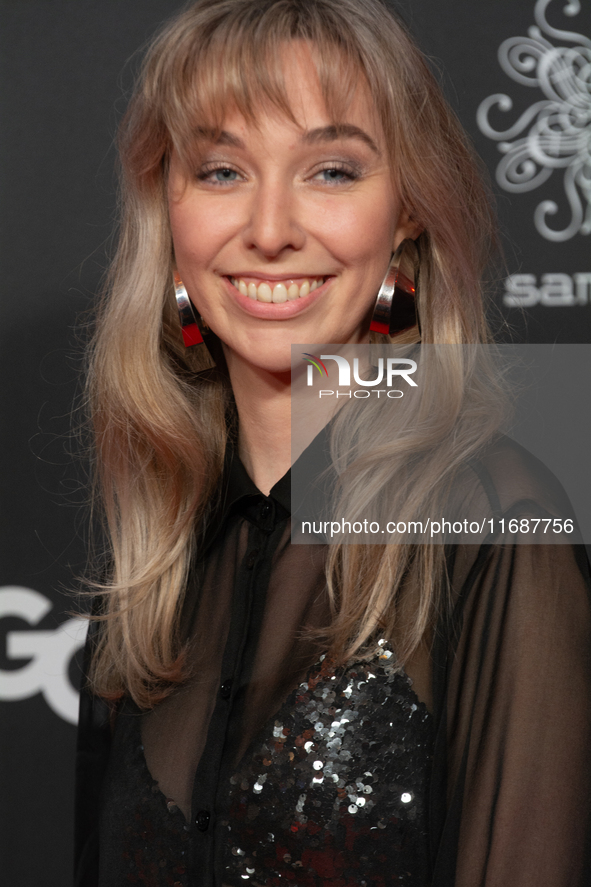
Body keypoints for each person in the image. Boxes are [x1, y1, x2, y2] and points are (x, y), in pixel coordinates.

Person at [74, 1, 591, 885]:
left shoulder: (496, 518)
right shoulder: (158, 546)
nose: (270, 229)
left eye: (331, 170)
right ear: (169, 206)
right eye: (224, 169)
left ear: (407, 214)